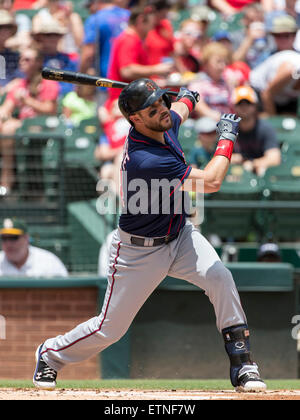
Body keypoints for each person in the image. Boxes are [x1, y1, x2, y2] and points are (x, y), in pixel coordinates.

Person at [33, 78, 266, 393]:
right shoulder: (147, 158)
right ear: (136, 120)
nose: (162, 111)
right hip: (138, 252)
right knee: (110, 329)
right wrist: (225, 139)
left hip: (179, 235)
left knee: (220, 277)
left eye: (161, 103)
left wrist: (187, 97)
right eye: (152, 109)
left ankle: (243, 365)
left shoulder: (161, 122)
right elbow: (211, 182)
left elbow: (179, 109)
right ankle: (49, 354)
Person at [0, 46, 59, 195]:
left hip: (44, 126)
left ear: (39, 62)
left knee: (8, 129)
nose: (22, 62)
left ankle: (7, 177)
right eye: (21, 59)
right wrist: (4, 116)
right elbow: (5, 109)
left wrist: (27, 101)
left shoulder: (48, 82)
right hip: (22, 128)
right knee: (5, 126)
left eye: (27, 59)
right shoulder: (19, 84)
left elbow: (50, 110)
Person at [106, 4, 174, 104]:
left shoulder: (134, 40)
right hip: (125, 103)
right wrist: (157, 69)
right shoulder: (129, 40)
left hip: (133, 101)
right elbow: (127, 70)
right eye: (150, 24)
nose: (151, 29)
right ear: (140, 20)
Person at [231, 85, 281, 176]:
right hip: (235, 174)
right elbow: (216, 157)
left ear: (255, 105)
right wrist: (231, 159)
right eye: (240, 104)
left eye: (248, 103)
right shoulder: (229, 130)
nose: (244, 107)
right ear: (234, 106)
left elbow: (274, 158)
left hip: (259, 173)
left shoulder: (265, 128)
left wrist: (252, 163)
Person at [0, 218, 68, 276]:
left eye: (13, 238)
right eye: (4, 238)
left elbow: (66, 289)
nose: (8, 244)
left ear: (26, 238)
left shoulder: (49, 262)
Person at [31, 18, 78, 97]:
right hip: (42, 97)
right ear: (40, 37)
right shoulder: (35, 59)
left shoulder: (68, 59)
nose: (53, 38)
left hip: (66, 97)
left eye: (56, 35)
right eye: (48, 35)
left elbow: (74, 81)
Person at [188, 41, 232, 121]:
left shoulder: (227, 82)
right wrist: (220, 119)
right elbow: (199, 107)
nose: (222, 66)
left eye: (224, 62)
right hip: (206, 126)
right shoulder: (198, 83)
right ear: (206, 64)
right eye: (218, 62)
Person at [249, 48, 300, 115]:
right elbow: (267, 94)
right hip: (258, 90)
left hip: (283, 99)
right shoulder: (289, 70)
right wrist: (274, 121)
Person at [95, 97, 130, 194]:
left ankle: (120, 198)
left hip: (132, 161)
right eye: (115, 107)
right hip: (113, 164)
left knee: (120, 159)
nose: (119, 109)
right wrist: (121, 150)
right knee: (105, 174)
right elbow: (103, 153)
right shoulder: (108, 129)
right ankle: (117, 200)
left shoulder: (134, 125)